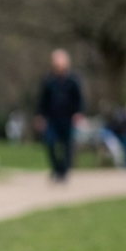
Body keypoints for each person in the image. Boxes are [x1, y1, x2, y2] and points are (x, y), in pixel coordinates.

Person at [35, 49, 86, 182]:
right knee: (50, 142)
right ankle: (56, 168)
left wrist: (78, 113)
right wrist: (40, 115)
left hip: (68, 117)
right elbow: (43, 100)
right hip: (52, 117)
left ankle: (64, 170)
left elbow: (79, 99)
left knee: (67, 145)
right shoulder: (49, 80)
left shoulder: (73, 80)